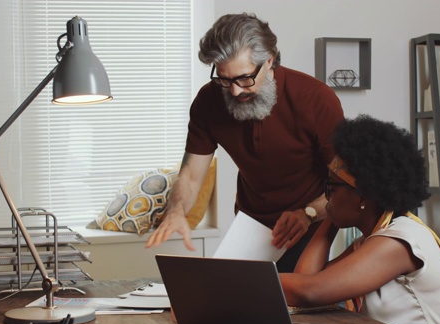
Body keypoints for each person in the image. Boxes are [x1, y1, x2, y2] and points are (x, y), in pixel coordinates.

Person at [146, 13, 344, 272]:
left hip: (310, 222)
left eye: (244, 78)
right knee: (233, 298)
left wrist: (308, 213)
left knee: (298, 304)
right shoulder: (208, 101)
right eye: (225, 80)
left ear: (269, 60)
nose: (235, 90)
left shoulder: (316, 99)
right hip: (250, 226)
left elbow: (346, 181)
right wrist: (177, 210)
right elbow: (192, 176)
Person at [279, 115, 440, 324]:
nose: (325, 196)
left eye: (331, 187)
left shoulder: (399, 242)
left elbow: (310, 292)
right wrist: (331, 215)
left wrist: (244, 280)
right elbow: (306, 284)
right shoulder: (373, 238)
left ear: (362, 195)